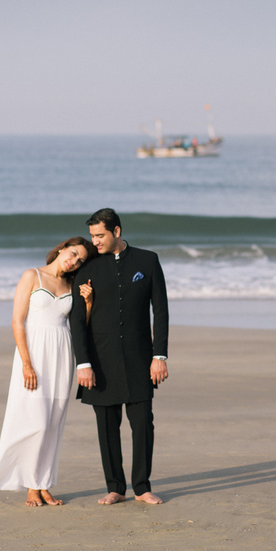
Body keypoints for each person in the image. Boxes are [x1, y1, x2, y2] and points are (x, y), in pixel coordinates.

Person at [0, 236, 97, 507]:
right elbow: (17, 321)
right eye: (72, 254)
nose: (73, 261)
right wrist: (26, 363)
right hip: (34, 354)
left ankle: (43, 484)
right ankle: (30, 486)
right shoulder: (32, 275)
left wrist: (89, 302)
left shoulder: (71, 285)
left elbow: (79, 325)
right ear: (61, 249)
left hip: (62, 354)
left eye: (80, 260)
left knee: (53, 423)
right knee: (34, 421)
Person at [70, 208, 169, 505]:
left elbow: (160, 311)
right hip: (100, 360)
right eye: (92, 236)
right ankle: (115, 486)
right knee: (106, 427)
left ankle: (142, 487)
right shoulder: (86, 268)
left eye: (99, 235)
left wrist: (159, 355)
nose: (95, 242)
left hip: (140, 359)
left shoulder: (147, 260)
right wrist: (83, 363)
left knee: (142, 424)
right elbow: (77, 319)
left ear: (116, 231)